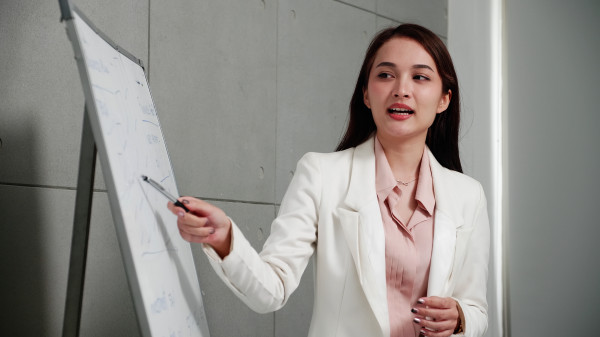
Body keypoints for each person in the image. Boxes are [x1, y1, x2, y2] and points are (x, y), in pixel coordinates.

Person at [168, 24, 489, 337]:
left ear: (444, 99)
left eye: (419, 77)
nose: (401, 89)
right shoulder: (321, 175)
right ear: (366, 94)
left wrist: (460, 318)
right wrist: (224, 239)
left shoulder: (467, 195)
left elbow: (476, 309)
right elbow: (272, 288)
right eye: (385, 75)